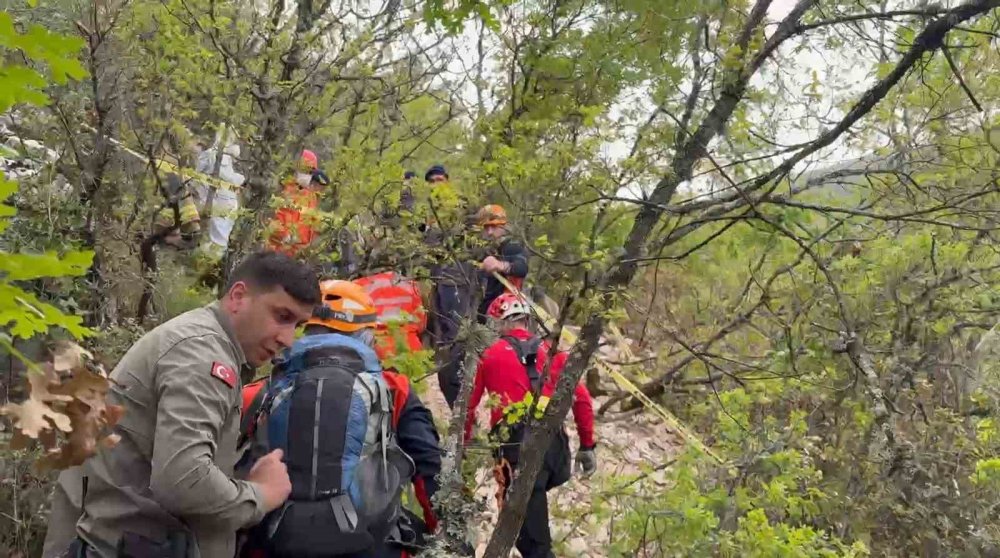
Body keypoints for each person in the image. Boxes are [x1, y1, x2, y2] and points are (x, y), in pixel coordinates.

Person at [42, 251, 321, 558]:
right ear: (239, 296)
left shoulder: (206, 344)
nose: (288, 339)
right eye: (282, 316)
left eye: (298, 324)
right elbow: (183, 480)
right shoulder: (202, 355)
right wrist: (261, 495)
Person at [239, 279, 441, 558]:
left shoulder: (260, 393)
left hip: (275, 546)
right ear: (365, 334)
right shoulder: (395, 390)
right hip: (368, 546)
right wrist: (448, 535)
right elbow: (431, 471)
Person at [465, 293, 597, 558]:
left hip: (517, 451)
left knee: (534, 545)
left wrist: (464, 445)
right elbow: (581, 400)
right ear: (529, 321)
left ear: (498, 323)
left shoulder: (488, 356)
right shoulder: (551, 353)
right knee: (524, 530)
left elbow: (468, 406)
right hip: (554, 448)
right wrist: (587, 445)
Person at [268, 149, 329, 256]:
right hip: (278, 251)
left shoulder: (311, 197)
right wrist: (284, 236)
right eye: (304, 170)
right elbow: (275, 219)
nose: (307, 175)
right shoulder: (285, 191)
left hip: (298, 254)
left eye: (310, 171)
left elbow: (311, 224)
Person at [474, 204, 528, 321]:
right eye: (486, 227)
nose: (489, 232)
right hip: (486, 310)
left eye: (493, 227)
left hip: (504, 313)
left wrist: (500, 265)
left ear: (503, 226)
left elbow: (522, 268)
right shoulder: (489, 249)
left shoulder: (512, 246)